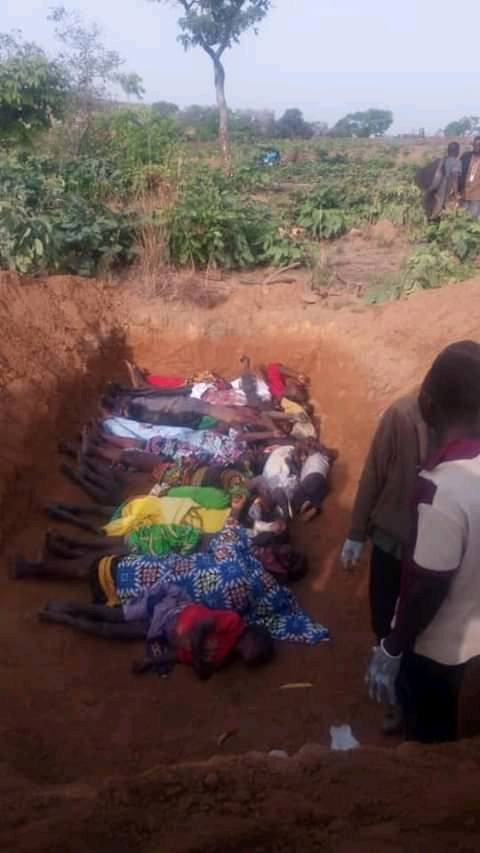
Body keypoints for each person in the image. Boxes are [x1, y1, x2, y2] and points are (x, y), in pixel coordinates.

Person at [366, 340, 480, 743]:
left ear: (428, 404)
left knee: (432, 740)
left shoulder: (443, 491)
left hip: (441, 654)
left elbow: (428, 587)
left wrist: (394, 648)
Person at [12, 520, 328, 645]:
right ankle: (43, 567)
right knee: (104, 565)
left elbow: (292, 620)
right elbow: (230, 534)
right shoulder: (252, 560)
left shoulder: (267, 589)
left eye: (282, 557)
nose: (273, 552)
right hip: (167, 575)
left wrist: (314, 630)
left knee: (100, 569)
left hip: (164, 590)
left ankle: (33, 570)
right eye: (278, 549)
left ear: (283, 573)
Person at [340, 391, 429, 733]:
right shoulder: (402, 414)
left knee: (422, 620)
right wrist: (356, 532)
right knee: (383, 615)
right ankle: (393, 694)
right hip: (393, 538)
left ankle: (413, 695)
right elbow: (375, 471)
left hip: (436, 543)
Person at [38, 587, 274, 680]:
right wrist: (200, 664)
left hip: (156, 631)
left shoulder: (221, 659)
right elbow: (199, 630)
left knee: (107, 630)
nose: (257, 658)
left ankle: (61, 618)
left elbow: (180, 656)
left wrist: (151, 661)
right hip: (165, 609)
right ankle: (63, 606)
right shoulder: (234, 624)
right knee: (110, 615)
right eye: (260, 651)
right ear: (255, 638)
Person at [416, 142, 461, 221]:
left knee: (431, 206)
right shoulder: (456, 162)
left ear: (448, 150)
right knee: (439, 208)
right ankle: (434, 221)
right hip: (442, 188)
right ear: (457, 151)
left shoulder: (440, 160)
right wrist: (456, 194)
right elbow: (454, 179)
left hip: (432, 187)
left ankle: (428, 220)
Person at [460, 136, 480, 219]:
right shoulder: (466, 156)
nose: (477, 147)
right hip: (464, 193)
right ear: (473, 145)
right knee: (462, 217)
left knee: (473, 218)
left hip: (477, 195)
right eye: (476, 145)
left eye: (479, 145)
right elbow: (459, 173)